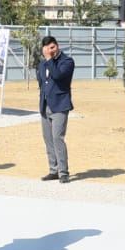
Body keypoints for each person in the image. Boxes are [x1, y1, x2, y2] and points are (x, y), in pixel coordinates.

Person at [38, 35, 74, 183]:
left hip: (60, 105)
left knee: (57, 138)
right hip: (45, 105)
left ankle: (63, 172)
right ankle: (53, 170)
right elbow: (41, 83)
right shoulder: (42, 64)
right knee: (48, 139)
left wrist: (49, 59)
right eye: (47, 47)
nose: (50, 50)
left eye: (53, 47)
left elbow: (58, 76)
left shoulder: (67, 61)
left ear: (57, 46)